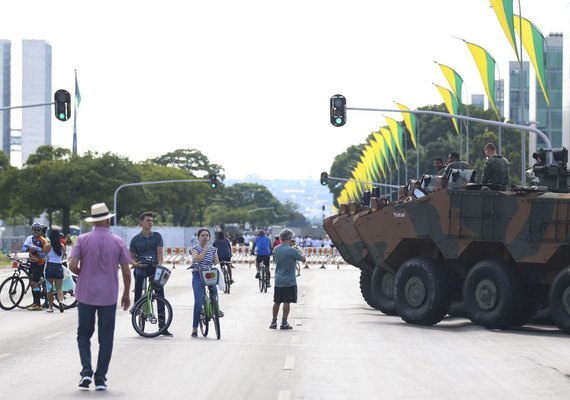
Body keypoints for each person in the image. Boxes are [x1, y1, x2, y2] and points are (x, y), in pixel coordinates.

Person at [68, 202, 132, 391]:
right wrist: (126, 294)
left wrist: (84, 273)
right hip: (108, 296)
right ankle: (101, 379)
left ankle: (86, 371)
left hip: (86, 294)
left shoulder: (82, 239)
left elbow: (72, 265)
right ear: (106, 220)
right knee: (106, 338)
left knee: (83, 334)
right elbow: (127, 272)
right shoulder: (118, 241)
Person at [129, 211, 172, 337]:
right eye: (147, 220)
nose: (150, 223)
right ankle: (137, 304)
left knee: (160, 293)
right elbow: (131, 257)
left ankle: (163, 326)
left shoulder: (157, 236)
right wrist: (135, 264)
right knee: (139, 275)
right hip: (141, 266)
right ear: (141, 222)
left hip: (154, 266)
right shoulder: (135, 240)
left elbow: (159, 254)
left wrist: (159, 267)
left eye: (152, 221)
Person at [270, 229, 306, 330]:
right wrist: (300, 250)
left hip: (278, 280)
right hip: (289, 281)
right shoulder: (291, 250)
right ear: (289, 238)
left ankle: (273, 322)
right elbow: (303, 259)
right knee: (286, 302)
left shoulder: (276, 249)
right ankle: (284, 322)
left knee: (276, 301)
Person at [190, 228, 220, 338]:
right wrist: (205, 250)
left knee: (214, 292)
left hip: (209, 275)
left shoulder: (213, 250)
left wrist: (218, 270)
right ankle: (194, 328)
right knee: (198, 301)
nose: (204, 237)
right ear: (198, 237)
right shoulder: (195, 248)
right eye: (202, 235)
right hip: (198, 275)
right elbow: (197, 259)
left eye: (207, 235)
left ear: (209, 237)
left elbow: (216, 263)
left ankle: (216, 309)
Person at [21, 223, 48, 310]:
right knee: (33, 283)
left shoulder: (43, 240)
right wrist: (29, 249)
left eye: (38, 230)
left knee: (34, 282)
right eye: (34, 230)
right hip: (32, 264)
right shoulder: (31, 239)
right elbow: (24, 249)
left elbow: (46, 254)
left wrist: (37, 252)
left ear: (41, 231)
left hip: (39, 264)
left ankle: (38, 304)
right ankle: (35, 303)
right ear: (32, 230)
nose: (36, 231)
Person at [44, 229, 66, 313]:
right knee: (59, 289)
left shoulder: (47, 246)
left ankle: (50, 307)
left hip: (49, 267)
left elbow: (45, 257)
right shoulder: (62, 246)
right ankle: (60, 301)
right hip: (59, 267)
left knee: (49, 289)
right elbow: (62, 257)